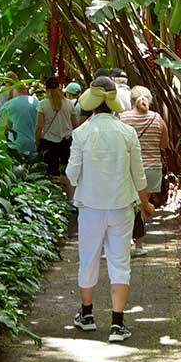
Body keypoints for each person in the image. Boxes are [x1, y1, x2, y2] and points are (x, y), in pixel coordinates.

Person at [67, 77, 152, 343]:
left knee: (88, 258)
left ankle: (88, 315)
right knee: (119, 261)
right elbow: (139, 175)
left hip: (90, 206)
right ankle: (117, 324)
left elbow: (71, 174)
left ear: (92, 104)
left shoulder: (81, 133)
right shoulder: (127, 133)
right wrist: (146, 203)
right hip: (121, 207)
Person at [119, 86, 169, 256]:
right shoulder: (157, 118)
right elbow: (164, 145)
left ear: (131, 101)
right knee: (142, 205)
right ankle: (139, 245)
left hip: (129, 168)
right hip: (152, 168)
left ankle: (126, 243)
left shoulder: (122, 118)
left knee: (128, 205)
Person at [34, 75, 77, 184]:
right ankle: (66, 192)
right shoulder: (69, 104)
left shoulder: (43, 104)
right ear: (59, 87)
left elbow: (39, 126)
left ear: (46, 89)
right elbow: (75, 124)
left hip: (49, 142)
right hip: (66, 142)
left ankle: (53, 194)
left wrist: (37, 141)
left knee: (51, 172)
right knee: (66, 170)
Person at [0, 81, 38, 162]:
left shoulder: (10, 104)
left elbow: (2, 119)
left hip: (15, 144)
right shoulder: (36, 102)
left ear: (15, 91)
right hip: (33, 143)